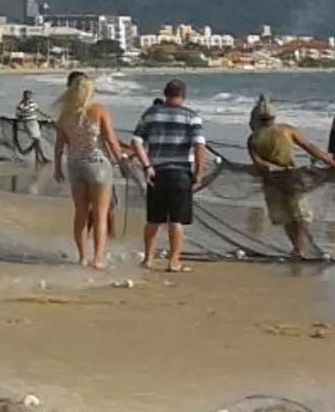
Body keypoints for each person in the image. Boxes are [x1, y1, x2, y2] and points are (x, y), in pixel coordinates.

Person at [49, 70, 130, 270]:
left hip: (75, 165)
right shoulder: (99, 110)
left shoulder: (65, 114)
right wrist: (121, 160)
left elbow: (59, 146)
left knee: (81, 213)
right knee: (101, 214)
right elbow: (110, 140)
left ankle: (83, 257)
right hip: (99, 165)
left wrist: (57, 168)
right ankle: (98, 258)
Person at [246, 96, 335, 261]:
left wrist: (270, 171)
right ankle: (299, 249)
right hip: (291, 177)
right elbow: (309, 147)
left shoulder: (253, 138)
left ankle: (297, 249)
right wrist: (333, 162)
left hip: (271, 180)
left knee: (287, 217)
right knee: (302, 216)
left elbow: (258, 163)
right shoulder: (286, 130)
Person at [132, 79, 209, 272]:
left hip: (156, 172)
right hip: (180, 172)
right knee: (176, 220)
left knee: (153, 219)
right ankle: (173, 261)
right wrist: (199, 172)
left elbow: (136, 141)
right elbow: (200, 146)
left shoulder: (151, 114)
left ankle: (148, 259)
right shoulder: (192, 116)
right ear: (183, 95)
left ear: (165, 94)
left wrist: (147, 165)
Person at [12, 89, 45, 165]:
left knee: (37, 140)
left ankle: (37, 158)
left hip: (35, 122)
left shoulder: (32, 103)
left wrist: (46, 116)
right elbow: (17, 115)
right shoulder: (21, 105)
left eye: (29, 95)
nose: (28, 97)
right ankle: (42, 157)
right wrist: (22, 117)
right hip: (27, 123)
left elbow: (38, 110)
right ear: (24, 96)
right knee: (37, 140)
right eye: (26, 95)